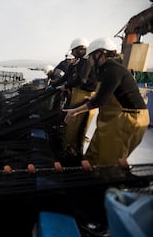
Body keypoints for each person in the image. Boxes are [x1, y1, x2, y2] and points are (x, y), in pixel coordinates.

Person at [63, 37, 149, 165]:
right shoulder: (105, 70)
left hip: (128, 118)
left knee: (109, 161)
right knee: (93, 155)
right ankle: (88, 177)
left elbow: (100, 100)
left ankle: (108, 184)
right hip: (112, 118)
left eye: (91, 57)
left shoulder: (114, 70)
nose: (90, 61)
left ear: (99, 54)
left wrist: (75, 111)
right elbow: (103, 95)